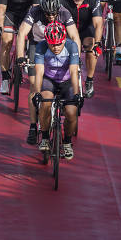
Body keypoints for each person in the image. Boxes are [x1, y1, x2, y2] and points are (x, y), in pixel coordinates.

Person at [17, 0, 80, 145]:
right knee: (33, 84)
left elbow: (74, 36)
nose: (51, 17)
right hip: (38, 44)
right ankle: (33, 126)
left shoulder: (64, 13)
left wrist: (76, 57)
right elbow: (21, 33)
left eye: (53, 14)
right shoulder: (34, 11)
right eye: (47, 14)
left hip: (58, 43)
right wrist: (20, 56)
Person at [31, 21, 82, 160]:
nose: (55, 47)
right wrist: (36, 93)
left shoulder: (72, 46)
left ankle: (67, 142)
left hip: (67, 81)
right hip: (49, 80)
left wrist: (77, 94)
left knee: (71, 112)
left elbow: (73, 71)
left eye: (59, 43)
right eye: (52, 44)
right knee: (45, 102)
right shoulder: (41, 47)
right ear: (46, 41)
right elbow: (39, 71)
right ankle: (46, 138)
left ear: (64, 39)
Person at [0, 0, 41, 94]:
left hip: (28, 14)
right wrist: (0, 25)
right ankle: (4, 79)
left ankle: (26, 55)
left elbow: (36, 9)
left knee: (32, 35)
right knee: (7, 40)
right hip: (11, 14)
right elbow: (1, 9)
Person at [59, 0, 103, 98]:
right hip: (68, 29)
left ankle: (89, 80)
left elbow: (98, 24)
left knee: (91, 45)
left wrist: (98, 44)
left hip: (86, 28)